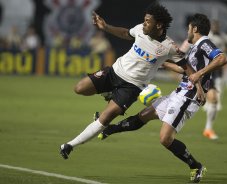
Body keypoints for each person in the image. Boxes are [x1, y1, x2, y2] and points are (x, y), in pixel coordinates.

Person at [98, 13, 227, 183]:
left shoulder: (204, 43)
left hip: (188, 98)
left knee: (165, 138)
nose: (187, 31)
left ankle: (196, 166)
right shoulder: (196, 47)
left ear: (195, 29)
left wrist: (199, 75)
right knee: (144, 115)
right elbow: (184, 70)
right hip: (179, 93)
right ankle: (109, 129)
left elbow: (222, 58)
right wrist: (162, 63)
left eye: (188, 28)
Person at [60, 3, 196, 161]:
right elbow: (125, 33)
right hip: (114, 72)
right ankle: (109, 92)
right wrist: (105, 27)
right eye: (144, 20)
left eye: (147, 21)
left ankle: (70, 145)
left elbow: (186, 67)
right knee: (79, 88)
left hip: (131, 87)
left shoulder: (169, 47)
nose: (144, 23)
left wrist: (198, 87)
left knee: (105, 117)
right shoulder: (140, 30)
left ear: (158, 25)